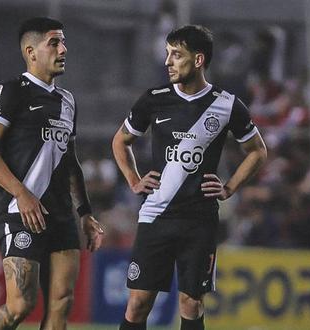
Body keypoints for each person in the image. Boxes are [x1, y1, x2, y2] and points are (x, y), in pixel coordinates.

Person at [112, 25, 267, 330]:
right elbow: (120, 140)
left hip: (200, 219)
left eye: (176, 55)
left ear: (198, 60)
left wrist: (230, 187)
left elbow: (258, 151)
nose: (168, 61)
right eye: (168, 54)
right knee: (139, 302)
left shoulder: (227, 104)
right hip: (156, 215)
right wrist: (133, 179)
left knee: (191, 303)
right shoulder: (154, 99)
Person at [0, 17, 104, 330]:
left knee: (62, 303)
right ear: (31, 52)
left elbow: (70, 160)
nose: (63, 49)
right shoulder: (11, 92)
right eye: (54, 43)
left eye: (63, 42)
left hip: (60, 215)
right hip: (21, 213)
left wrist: (85, 213)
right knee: (20, 305)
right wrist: (22, 194)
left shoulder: (68, 101)